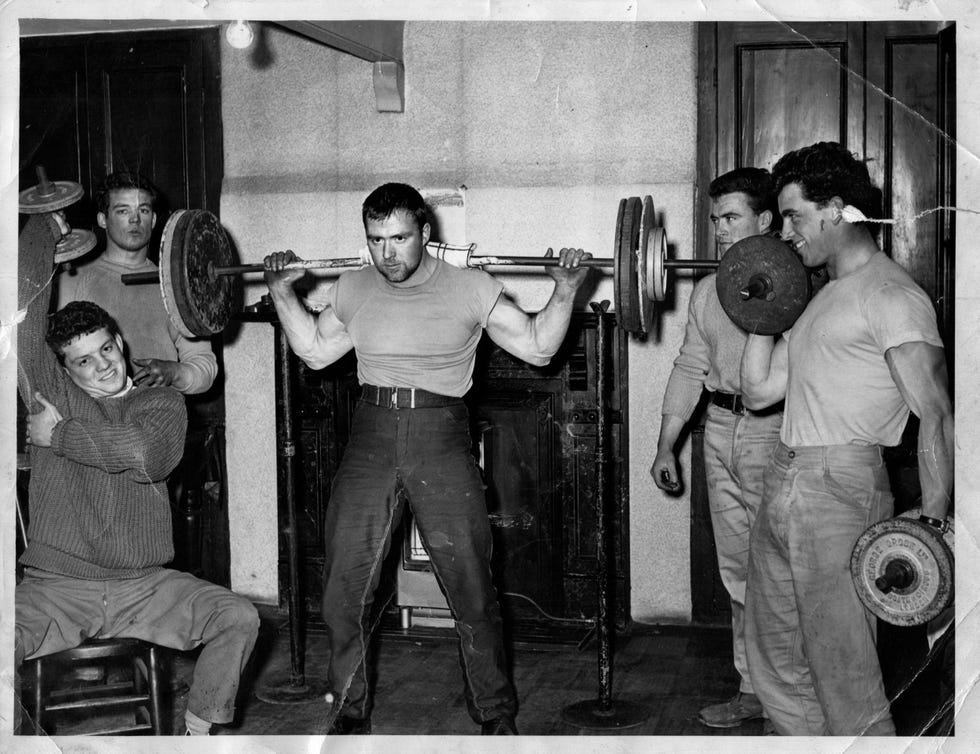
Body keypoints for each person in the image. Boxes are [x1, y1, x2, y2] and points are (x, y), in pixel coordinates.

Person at [263, 182, 591, 736]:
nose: (387, 254)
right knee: (345, 585)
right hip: (369, 435)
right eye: (375, 240)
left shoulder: (470, 286)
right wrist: (280, 291)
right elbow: (317, 352)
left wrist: (565, 290)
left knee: (471, 588)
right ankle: (348, 707)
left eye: (399, 238)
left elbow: (537, 347)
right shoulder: (353, 287)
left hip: (440, 437)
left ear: (425, 232)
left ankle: (494, 712)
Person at [16, 211, 259, 736]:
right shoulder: (52, 395)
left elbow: (146, 455)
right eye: (82, 361)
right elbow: (21, 317)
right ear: (64, 370)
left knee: (239, 616)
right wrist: (46, 228)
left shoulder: (160, 402)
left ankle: (199, 735)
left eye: (106, 348)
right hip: (58, 587)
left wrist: (58, 437)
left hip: (143, 586)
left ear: (121, 343)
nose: (102, 365)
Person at [739, 141, 953, 736]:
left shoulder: (891, 295)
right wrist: (760, 301)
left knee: (844, 672)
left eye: (794, 216)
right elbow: (758, 392)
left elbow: (935, 414)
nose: (785, 232)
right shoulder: (821, 296)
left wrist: (932, 520)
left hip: (840, 485)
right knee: (777, 660)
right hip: (786, 475)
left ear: (836, 209)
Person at [651, 167, 781, 729]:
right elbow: (689, 367)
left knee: (782, 567)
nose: (719, 231)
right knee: (737, 572)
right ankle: (753, 689)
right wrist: (665, 446)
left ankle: (794, 699)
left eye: (731, 218)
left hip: (778, 432)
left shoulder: (799, 287)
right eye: (714, 219)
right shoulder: (708, 292)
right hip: (720, 433)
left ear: (766, 220)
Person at [57, 171, 217, 394]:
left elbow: (205, 369)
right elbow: (48, 365)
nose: (135, 219)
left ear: (152, 220)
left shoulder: (179, 288)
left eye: (143, 210)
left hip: (159, 418)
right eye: (123, 210)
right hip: (93, 422)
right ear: (102, 219)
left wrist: (174, 372)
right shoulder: (70, 282)